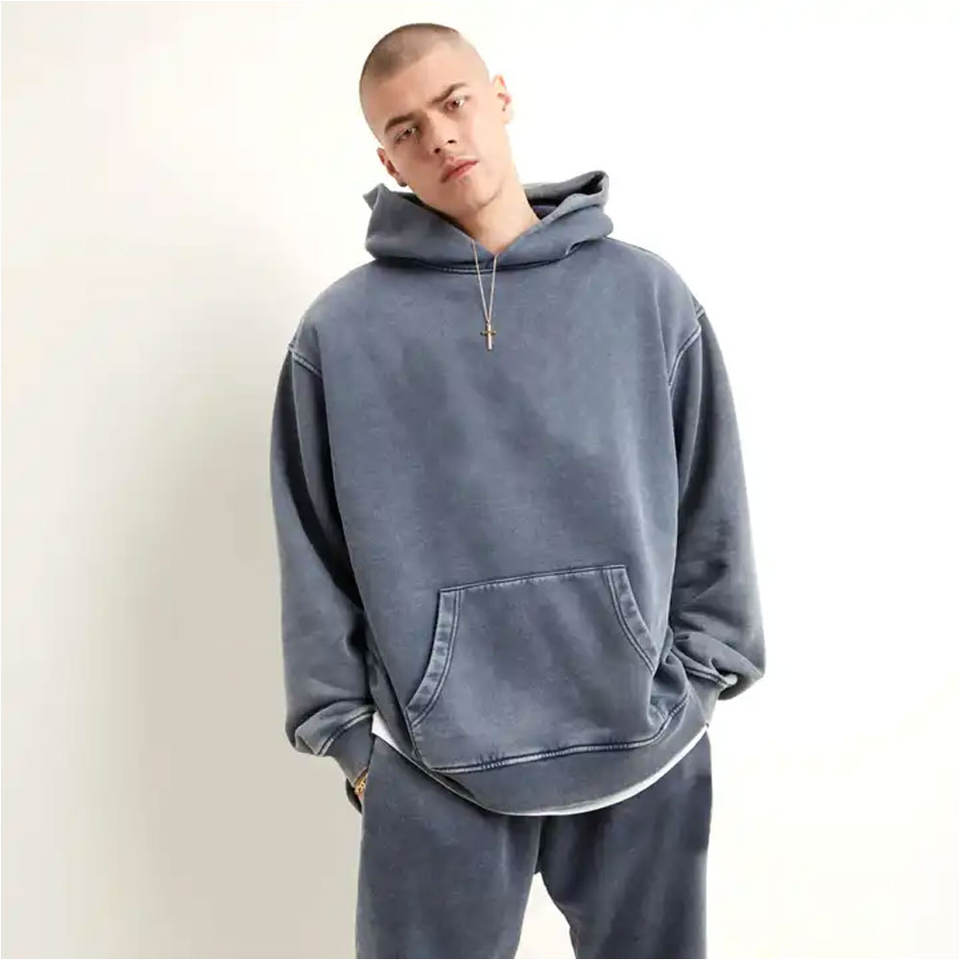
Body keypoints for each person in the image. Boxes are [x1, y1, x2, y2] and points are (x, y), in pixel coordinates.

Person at [268, 21, 766, 959]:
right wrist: (353, 746)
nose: (440, 136)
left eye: (453, 102)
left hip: (643, 749)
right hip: (429, 767)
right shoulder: (341, 334)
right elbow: (311, 548)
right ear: (386, 157)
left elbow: (713, 499)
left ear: (498, 97)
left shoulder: (645, 297)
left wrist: (700, 680)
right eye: (407, 129)